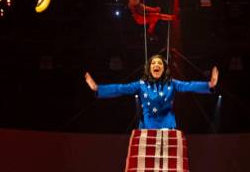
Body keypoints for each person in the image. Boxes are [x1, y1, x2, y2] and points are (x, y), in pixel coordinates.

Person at [84, 54, 218, 130]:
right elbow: (121, 88)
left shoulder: (172, 83)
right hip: (148, 125)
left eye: (160, 63)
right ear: (149, 68)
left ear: (164, 69)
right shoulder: (141, 84)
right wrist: (98, 88)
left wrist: (209, 84)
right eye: (153, 63)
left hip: (167, 124)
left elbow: (190, 86)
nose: (156, 65)